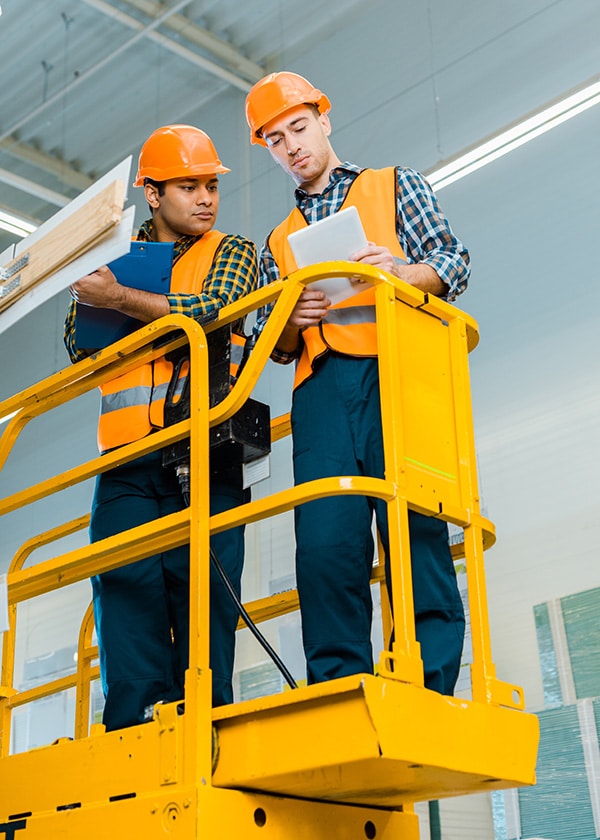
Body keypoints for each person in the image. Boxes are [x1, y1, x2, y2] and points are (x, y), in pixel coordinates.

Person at [245, 72, 469, 695]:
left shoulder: (395, 185)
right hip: (320, 395)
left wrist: (398, 271)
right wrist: (290, 321)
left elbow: (453, 261)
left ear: (324, 120)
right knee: (325, 546)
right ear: (268, 151)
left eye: (298, 128)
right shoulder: (276, 242)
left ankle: (430, 685)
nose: (291, 146)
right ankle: (340, 686)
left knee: (414, 528)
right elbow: (277, 346)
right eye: (275, 140)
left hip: (398, 375)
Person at [64, 124, 258, 730]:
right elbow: (76, 342)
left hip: (204, 451)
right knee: (124, 594)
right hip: (123, 464)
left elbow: (213, 310)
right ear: (152, 193)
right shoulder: (111, 257)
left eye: (210, 186)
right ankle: (130, 733)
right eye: (188, 186)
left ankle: (204, 727)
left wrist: (122, 300)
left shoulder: (233, 252)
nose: (205, 198)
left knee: (202, 596)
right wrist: (107, 293)